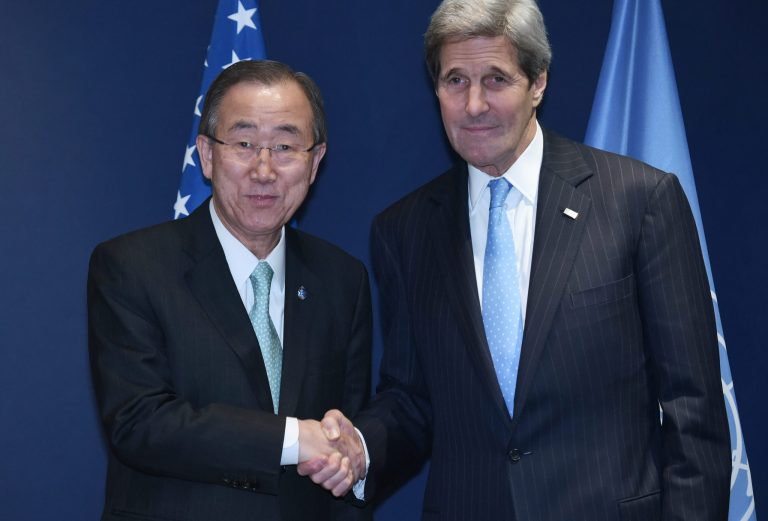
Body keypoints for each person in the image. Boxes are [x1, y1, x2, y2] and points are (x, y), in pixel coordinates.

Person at [302, 0, 731, 519]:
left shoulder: (639, 200)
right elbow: (412, 399)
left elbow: (693, 414)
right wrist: (361, 448)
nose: (474, 105)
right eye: (455, 80)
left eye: (496, 79)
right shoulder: (404, 230)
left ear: (538, 84)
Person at [88, 60, 372, 521]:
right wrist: (295, 439)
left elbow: (346, 434)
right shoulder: (132, 266)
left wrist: (351, 459)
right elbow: (140, 423)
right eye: (243, 144)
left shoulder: (343, 279)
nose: (264, 170)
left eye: (285, 146)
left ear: (315, 161)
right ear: (206, 154)